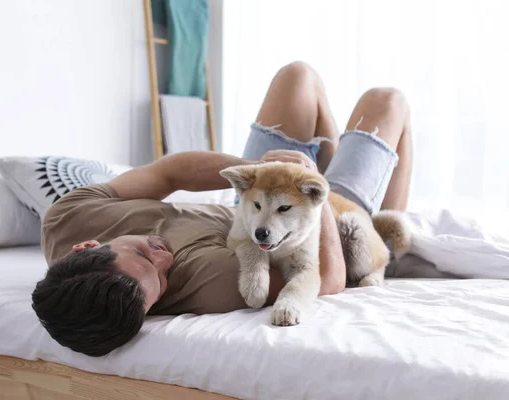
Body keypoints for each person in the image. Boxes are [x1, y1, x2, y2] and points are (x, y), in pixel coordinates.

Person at [32, 61, 413, 357]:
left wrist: (267, 173)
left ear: (87, 246)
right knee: (388, 101)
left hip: (256, 193)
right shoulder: (206, 283)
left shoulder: (66, 218)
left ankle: (324, 160)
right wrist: (316, 192)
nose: (165, 258)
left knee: (297, 76)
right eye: (160, 282)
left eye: (141, 253)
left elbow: (171, 172)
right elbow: (328, 278)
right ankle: (389, 232)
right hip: (302, 218)